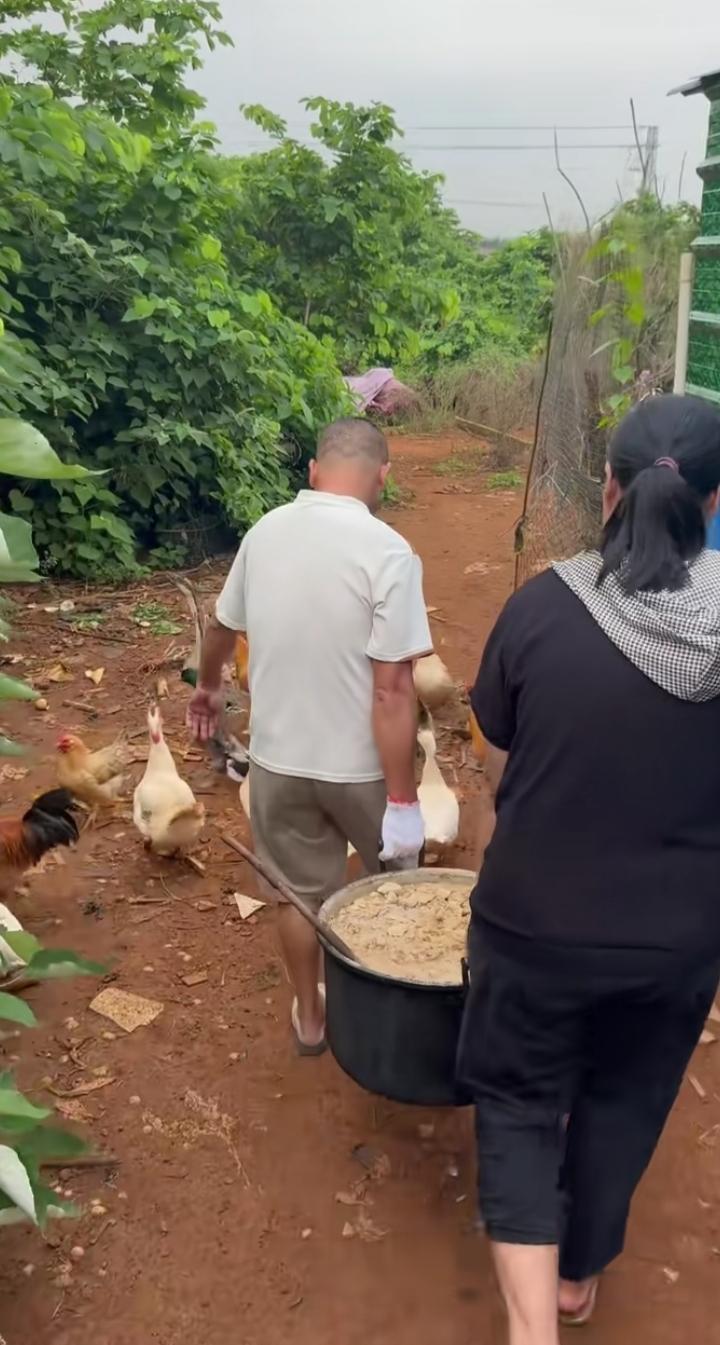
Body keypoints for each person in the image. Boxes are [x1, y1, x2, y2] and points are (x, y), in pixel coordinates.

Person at [457, 394, 720, 1345]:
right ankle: (574, 1278)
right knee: (623, 1100)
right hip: (678, 943)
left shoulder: (541, 608)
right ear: (715, 502)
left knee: (521, 1105)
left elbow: (498, 763)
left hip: (533, 924)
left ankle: (533, 1329)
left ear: (606, 486)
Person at [187, 418, 432, 1053]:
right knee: (398, 891)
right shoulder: (389, 551)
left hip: (278, 764)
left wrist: (209, 689)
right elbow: (393, 690)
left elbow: (222, 626)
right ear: (383, 476)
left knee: (295, 897)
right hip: (362, 771)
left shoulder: (264, 533)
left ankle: (310, 1018)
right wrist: (403, 802)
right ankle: (394, 1021)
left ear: (314, 472)